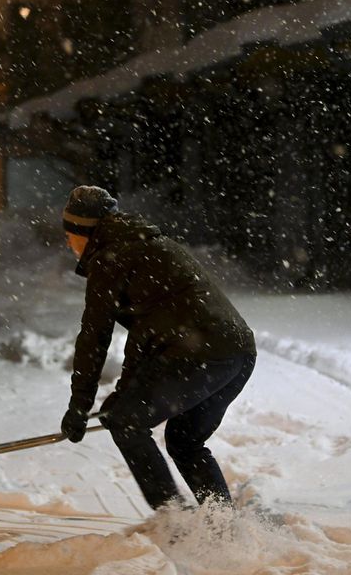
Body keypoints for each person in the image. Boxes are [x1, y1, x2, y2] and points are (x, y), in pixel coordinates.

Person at [59, 185, 257, 510]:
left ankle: (173, 521)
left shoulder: (110, 256)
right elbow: (149, 339)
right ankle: (222, 527)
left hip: (198, 353)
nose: (68, 243)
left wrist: (80, 406)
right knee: (185, 441)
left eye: (69, 234)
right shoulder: (142, 244)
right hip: (237, 353)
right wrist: (123, 393)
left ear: (84, 231)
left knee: (126, 421)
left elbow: (94, 335)